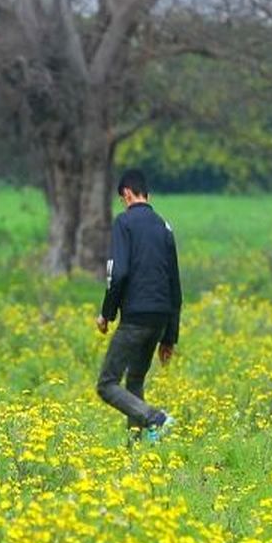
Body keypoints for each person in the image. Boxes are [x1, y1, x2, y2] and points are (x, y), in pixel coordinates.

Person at [94, 169, 181, 438]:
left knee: (107, 384)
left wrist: (106, 313)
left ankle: (155, 417)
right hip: (160, 318)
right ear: (148, 195)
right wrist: (169, 337)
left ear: (127, 194)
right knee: (134, 381)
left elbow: (117, 273)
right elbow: (174, 286)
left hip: (135, 317)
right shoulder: (164, 227)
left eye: (122, 199)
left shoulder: (124, 222)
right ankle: (137, 449)